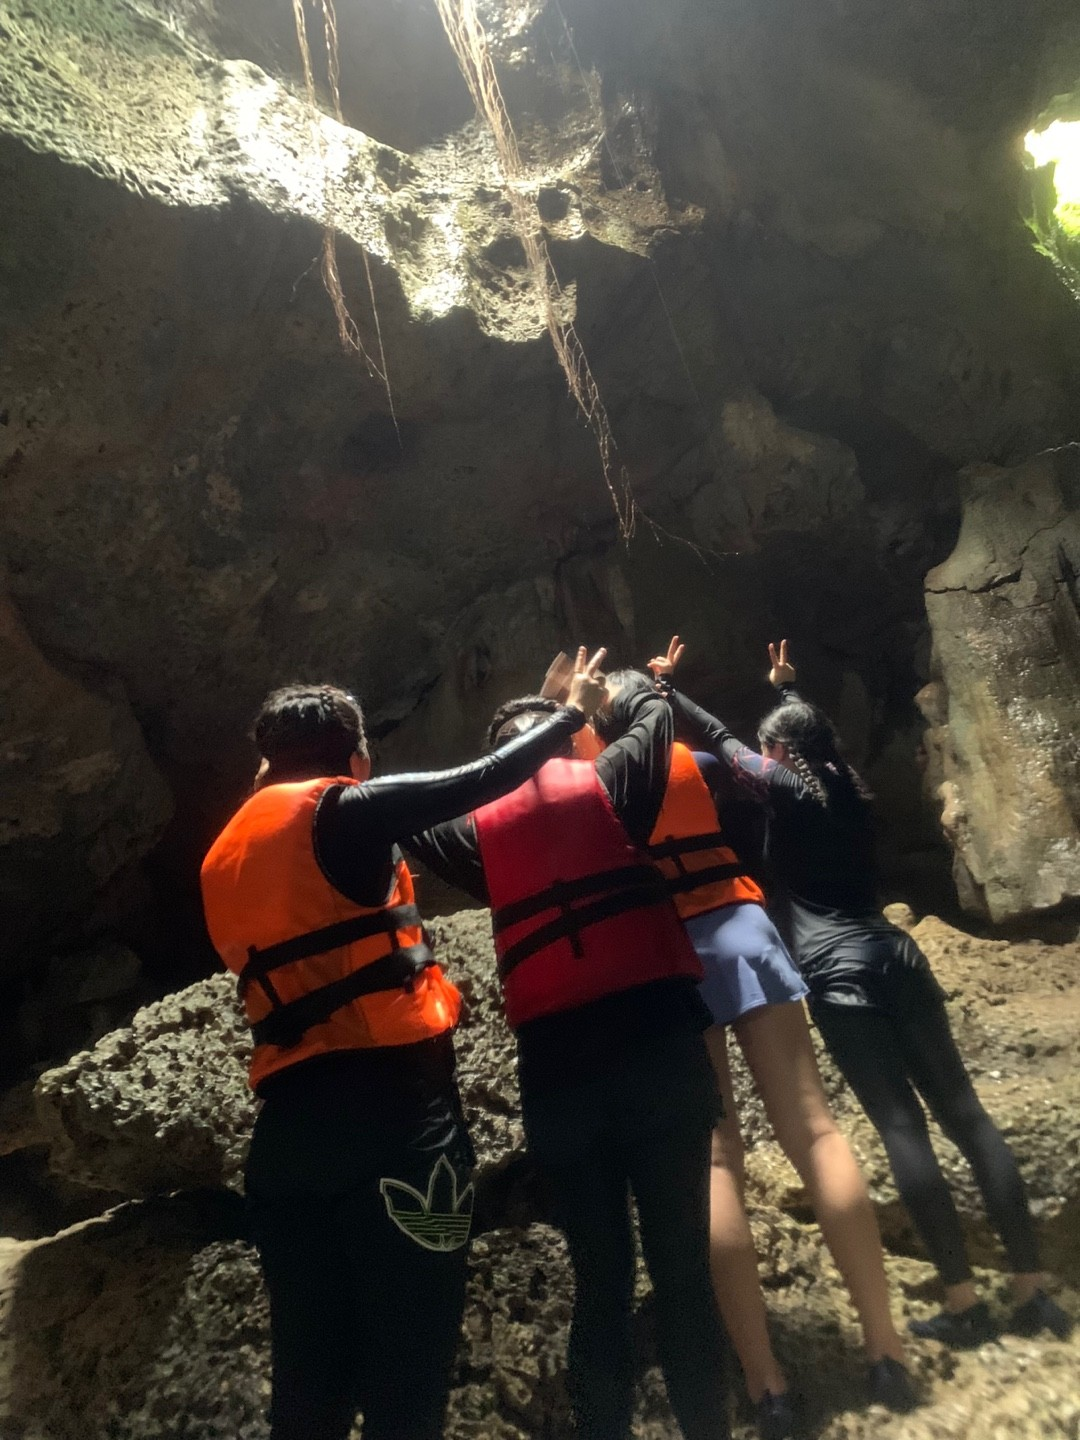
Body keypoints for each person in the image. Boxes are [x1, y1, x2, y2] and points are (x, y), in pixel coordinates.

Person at [199, 657, 607, 1440]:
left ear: (267, 763)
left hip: (286, 1140)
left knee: (307, 1391)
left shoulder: (224, 851)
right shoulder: (344, 810)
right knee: (408, 1383)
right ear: (354, 756)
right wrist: (569, 715)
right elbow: (479, 780)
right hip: (394, 1126)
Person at [662, 637, 1073, 1352]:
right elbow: (807, 740)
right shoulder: (849, 786)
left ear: (779, 754)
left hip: (839, 973)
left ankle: (963, 1302)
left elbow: (725, 744)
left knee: (902, 1128)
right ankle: (1031, 1289)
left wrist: (670, 696)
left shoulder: (785, 789)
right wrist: (788, 691)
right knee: (967, 1115)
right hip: (897, 955)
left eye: (770, 747)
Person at [408, 675, 731, 1440]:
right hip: (659, 1057)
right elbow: (651, 711)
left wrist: (532, 738)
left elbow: (412, 809)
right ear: (569, 739)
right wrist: (596, 699)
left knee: (600, 1281)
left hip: (560, 1082)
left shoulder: (473, 832)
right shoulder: (612, 780)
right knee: (684, 1274)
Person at [598, 659, 914, 1434]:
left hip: (672, 949)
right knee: (815, 1131)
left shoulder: (599, 781)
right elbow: (734, 774)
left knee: (714, 1163)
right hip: (741, 927)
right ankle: (886, 1352)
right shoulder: (695, 762)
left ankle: (768, 1387)